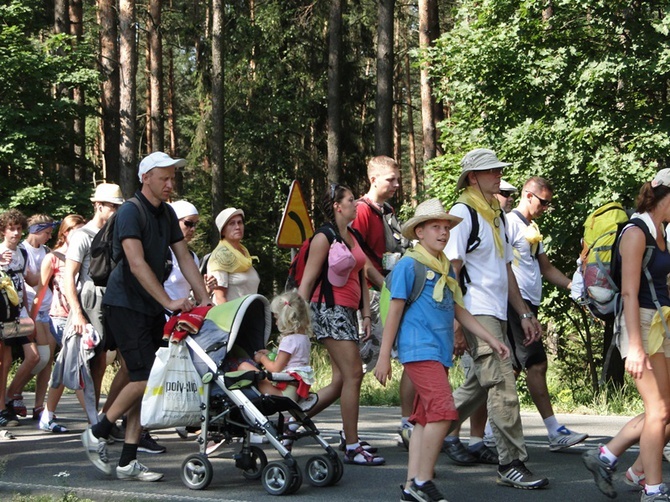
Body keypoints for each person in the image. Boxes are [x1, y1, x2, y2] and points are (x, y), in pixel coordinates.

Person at [81, 151, 209, 481]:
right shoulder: (128, 212)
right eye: (164, 178)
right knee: (144, 376)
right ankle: (98, 431)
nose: (170, 184)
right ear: (146, 178)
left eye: (172, 178)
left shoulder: (166, 214)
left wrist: (206, 301)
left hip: (150, 307)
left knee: (142, 378)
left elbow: (185, 260)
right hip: (123, 304)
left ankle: (127, 461)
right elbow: (136, 263)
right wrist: (168, 299)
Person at [375, 198, 511, 502]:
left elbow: (459, 310)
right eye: (435, 226)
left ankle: (412, 485)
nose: (443, 232)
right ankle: (423, 481)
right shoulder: (410, 265)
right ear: (419, 232)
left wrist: (491, 338)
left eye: (446, 227)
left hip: (439, 351)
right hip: (418, 350)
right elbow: (394, 312)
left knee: (425, 417)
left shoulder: (445, 267)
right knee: (443, 411)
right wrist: (384, 356)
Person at [443, 148, 548, 489]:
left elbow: (505, 271)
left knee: (478, 386)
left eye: (498, 169)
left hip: (498, 312)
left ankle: (427, 429)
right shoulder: (463, 213)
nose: (497, 175)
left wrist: (524, 313)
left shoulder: (496, 215)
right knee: (502, 383)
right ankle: (511, 462)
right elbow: (452, 272)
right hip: (476, 312)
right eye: (489, 171)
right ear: (472, 177)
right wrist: (457, 325)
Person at [583, 169, 670, 501]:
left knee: (664, 408)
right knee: (658, 410)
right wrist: (634, 346)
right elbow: (631, 294)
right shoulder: (636, 233)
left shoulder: (661, 231)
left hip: (662, 323)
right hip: (641, 326)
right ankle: (652, 488)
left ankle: (607, 457)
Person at [297, 183, 384, 466]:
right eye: (350, 199)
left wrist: (367, 314)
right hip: (326, 310)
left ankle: (289, 421)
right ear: (337, 206)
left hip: (347, 312)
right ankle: (352, 444)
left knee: (339, 382)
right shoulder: (324, 237)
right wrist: (296, 321)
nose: (356, 203)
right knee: (354, 374)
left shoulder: (352, 234)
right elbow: (308, 280)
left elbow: (362, 272)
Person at [502, 176, 588, 450]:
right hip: (516, 304)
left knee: (508, 371)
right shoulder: (509, 223)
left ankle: (469, 432)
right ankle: (554, 431)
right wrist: (524, 311)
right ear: (528, 195)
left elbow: (545, 267)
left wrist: (574, 286)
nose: (546, 207)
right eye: (543, 201)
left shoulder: (532, 227)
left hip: (528, 304)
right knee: (536, 363)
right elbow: (504, 268)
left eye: (549, 203)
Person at [350, 156, 416, 445]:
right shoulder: (362, 211)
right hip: (373, 297)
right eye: (391, 179)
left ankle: (407, 425)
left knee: (409, 357)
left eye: (398, 179)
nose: (397, 185)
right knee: (360, 366)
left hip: (392, 293)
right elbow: (359, 259)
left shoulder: (388, 211)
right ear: (373, 179)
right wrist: (385, 287)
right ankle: (347, 433)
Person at [36, 214, 86, 432]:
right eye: (74, 230)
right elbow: (40, 291)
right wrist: (30, 320)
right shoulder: (53, 258)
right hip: (59, 318)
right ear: (64, 232)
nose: (79, 234)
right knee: (75, 365)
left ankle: (47, 415)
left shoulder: (85, 256)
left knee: (66, 366)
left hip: (80, 318)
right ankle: (97, 421)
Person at [14, 214, 59, 421]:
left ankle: (39, 405)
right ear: (36, 230)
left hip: (46, 309)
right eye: (47, 232)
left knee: (46, 358)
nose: (50, 237)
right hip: (28, 309)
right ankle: (13, 394)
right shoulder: (22, 251)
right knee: (37, 356)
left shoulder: (47, 251)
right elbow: (30, 280)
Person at [0, 209, 38, 427]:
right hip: (3, 313)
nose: (15, 233)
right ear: (3, 231)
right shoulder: (0, 250)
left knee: (33, 356)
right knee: (4, 362)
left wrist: (59, 265)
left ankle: (9, 396)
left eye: (18, 229)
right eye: (10, 229)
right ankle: (2, 409)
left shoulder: (21, 253)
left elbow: (29, 280)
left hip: (19, 313)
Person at [252, 290, 314, 401]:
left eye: (276, 318)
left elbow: (275, 368)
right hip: (296, 391)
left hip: (285, 393)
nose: (275, 323)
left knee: (253, 376)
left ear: (286, 318)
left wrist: (262, 358)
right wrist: (271, 354)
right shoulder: (304, 338)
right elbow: (292, 362)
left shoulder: (288, 340)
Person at [208, 207, 260, 305]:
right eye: (232, 223)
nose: (237, 227)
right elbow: (220, 298)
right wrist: (229, 319)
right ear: (223, 231)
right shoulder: (220, 256)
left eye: (240, 222)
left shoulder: (244, 254)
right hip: (232, 316)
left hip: (249, 314)